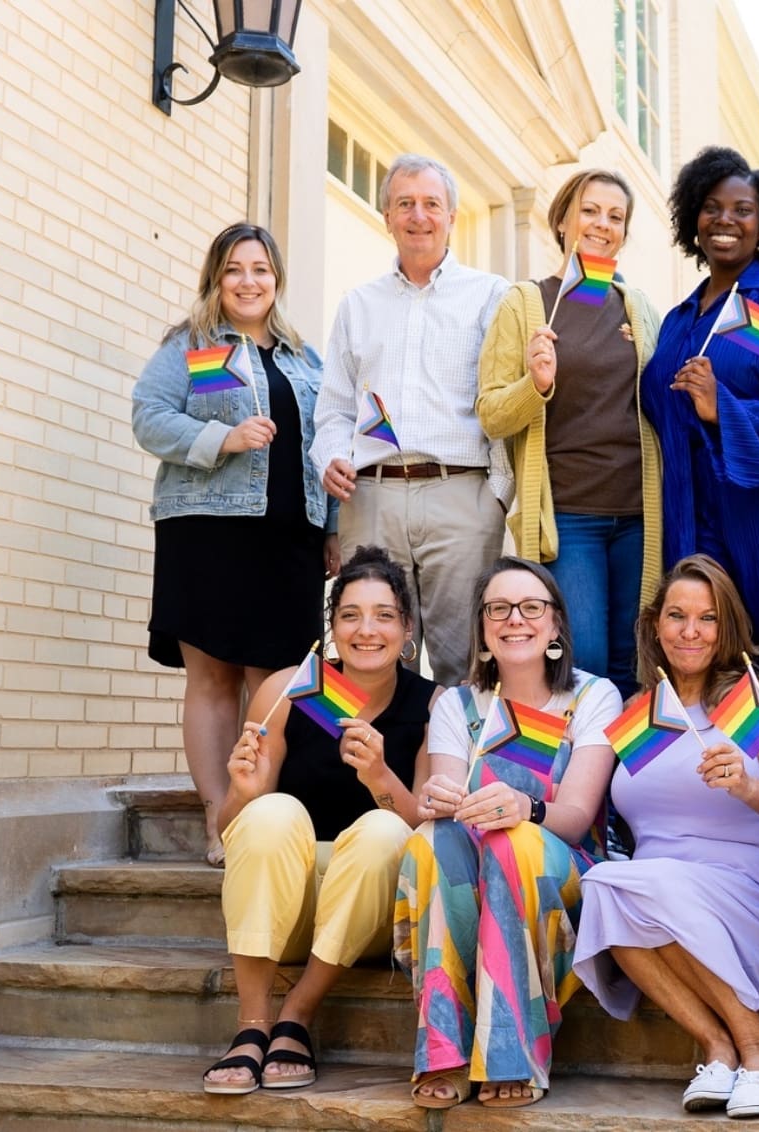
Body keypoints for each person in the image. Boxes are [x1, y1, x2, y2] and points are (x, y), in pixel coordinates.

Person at [574, 554, 759, 1118]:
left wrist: (748, 789)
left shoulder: (753, 700)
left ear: (726, 627)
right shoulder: (637, 714)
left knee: (628, 886)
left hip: (757, 899)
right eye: (677, 615)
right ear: (655, 625)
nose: (690, 631)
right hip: (658, 899)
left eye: (706, 618)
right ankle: (719, 1048)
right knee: (607, 886)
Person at [132, 222, 339, 868]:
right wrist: (222, 439)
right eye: (234, 270)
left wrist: (330, 528)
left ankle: (261, 810)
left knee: (275, 681)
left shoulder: (305, 360)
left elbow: (326, 444)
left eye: (260, 270)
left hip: (289, 539)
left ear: (277, 280)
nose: (248, 282)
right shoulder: (193, 345)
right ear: (216, 279)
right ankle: (219, 814)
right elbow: (150, 416)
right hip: (207, 532)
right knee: (214, 678)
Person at [201, 546, 439, 1095]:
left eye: (384, 615)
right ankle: (253, 1022)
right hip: (284, 905)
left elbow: (427, 829)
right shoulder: (290, 689)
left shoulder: (432, 704)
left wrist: (380, 776)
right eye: (350, 615)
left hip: (371, 914)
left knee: (385, 831)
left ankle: (298, 1014)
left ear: (407, 630)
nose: (366, 630)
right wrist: (243, 793)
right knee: (273, 810)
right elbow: (235, 827)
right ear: (332, 627)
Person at [393, 556, 621, 1109]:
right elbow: (446, 795)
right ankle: (443, 1044)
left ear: (555, 625)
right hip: (469, 870)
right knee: (429, 841)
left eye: (531, 607)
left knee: (511, 839)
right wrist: (439, 798)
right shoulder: (456, 703)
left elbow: (575, 815)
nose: (514, 619)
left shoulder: (593, 697)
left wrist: (526, 806)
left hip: (563, 871)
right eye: (498, 609)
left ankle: (512, 1049)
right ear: (482, 630)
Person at [640, 146, 759, 756]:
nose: (726, 220)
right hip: (693, 510)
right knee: (699, 646)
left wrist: (724, 408)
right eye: (712, 207)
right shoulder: (677, 319)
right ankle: (712, 793)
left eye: (743, 210)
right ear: (692, 220)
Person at [310, 154, 511, 686]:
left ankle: (455, 770)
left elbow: (502, 400)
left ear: (451, 216)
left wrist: (497, 497)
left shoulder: (491, 296)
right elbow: (334, 409)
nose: (418, 215)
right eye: (405, 204)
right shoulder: (358, 305)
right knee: (372, 654)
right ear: (387, 216)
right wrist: (332, 456)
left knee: (464, 657)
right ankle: (374, 770)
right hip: (371, 497)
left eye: (431, 204)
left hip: (461, 496)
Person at [477, 169, 662, 697]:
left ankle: (623, 782)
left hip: (637, 514)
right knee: (585, 658)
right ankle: (578, 778)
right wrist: (536, 384)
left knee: (636, 659)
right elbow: (490, 412)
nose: (601, 224)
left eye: (615, 216)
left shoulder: (638, 307)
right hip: (568, 515)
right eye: (589, 211)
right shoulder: (526, 302)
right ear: (562, 220)